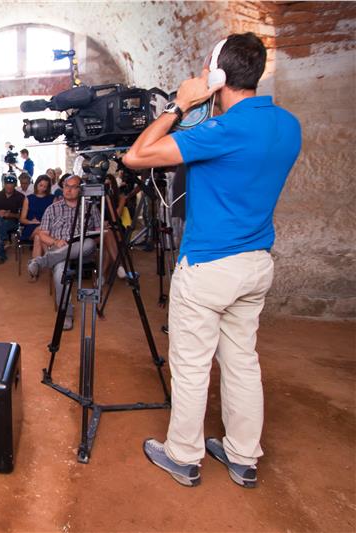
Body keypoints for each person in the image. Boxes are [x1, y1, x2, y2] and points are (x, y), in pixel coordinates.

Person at [122, 33, 302, 488]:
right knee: (242, 361)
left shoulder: (221, 132)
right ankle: (243, 455)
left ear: (218, 75)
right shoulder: (288, 125)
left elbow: (135, 156)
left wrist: (180, 104)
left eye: (207, 68)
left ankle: (183, 455)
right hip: (255, 262)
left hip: (208, 265)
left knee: (191, 365)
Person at [26, 175, 100, 330]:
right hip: (59, 249)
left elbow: (99, 232)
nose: (68, 190)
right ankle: (66, 315)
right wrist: (55, 241)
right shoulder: (52, 208)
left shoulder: (90, 207)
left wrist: (91, 236)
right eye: (66, 186)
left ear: (80, 190)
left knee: (89, 243)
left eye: (73, 187)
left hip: (83, 249)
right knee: (60, 274)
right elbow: (42, 235)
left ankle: (42, 261)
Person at [0, 174, 25, 265]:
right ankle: (5, 240)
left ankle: (2, 253)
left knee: (1, 226)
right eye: (7, 186)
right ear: (4, 185)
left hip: (12, 222)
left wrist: (10, 214)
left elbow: (22, 216)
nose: (9, 188)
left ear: (15, 186)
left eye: (11, 186)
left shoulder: (20, 197)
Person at [20, 174, 54, 244]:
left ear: (48, 187)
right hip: (32, 227)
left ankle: (45, 251)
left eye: (45, 186)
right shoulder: (29, 198)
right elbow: (22, 219)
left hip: (48, 226)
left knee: (40, 236)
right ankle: (52, 250)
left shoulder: (52, 198)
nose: (42, 188)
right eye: (40, 185)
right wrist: (31, 222)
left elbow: (56, 217)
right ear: (36, 184)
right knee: (42, 231)